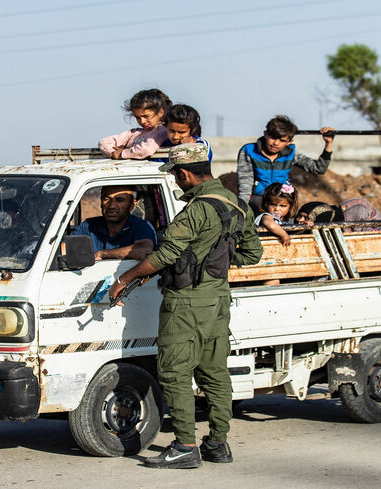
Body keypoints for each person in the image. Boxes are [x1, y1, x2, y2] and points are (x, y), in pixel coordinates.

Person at [108, 143, 262, 469]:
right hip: (218, 300)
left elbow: (165, 255)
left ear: (186, 173)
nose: (177, 182)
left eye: (177, 176)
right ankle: (218, 444)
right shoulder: (237, 204)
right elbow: (252, 254)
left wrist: (126, 279)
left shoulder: (195, 210)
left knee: (175, 372)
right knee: (215, 373)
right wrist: (214, 259)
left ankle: (185, 447)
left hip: (186, 303)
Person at [237, 115, 335, 212]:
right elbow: (245, 185)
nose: (276, 143)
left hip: (284, 199)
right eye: (273, 138)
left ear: (289, 142)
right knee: (268, 216)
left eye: (282, 140)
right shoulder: (249, 151)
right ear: (265, 134)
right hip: (259, 199)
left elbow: (318, 168)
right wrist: (242, 211)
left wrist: (329, 143)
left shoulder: (291, 153)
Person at [71, 185, 156, 260]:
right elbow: (67, 250)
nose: (111, 206)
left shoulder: (141, 226)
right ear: (101, 202)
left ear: (131, 205)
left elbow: (143, 251)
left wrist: (102, 254)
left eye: (120, 200)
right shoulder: (89, 226)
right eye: (106, 199)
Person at [98, 89, 171, 160]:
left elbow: (146, 150)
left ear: (160, 112)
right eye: (137, 117)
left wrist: (122, 154)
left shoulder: (163, 131)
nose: (142, 121)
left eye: (146, 116)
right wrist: (113, 153)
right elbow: (104, 142)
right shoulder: (134, 133)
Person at [254, 182, 299, 246]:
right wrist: (284, 235)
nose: (277, 209)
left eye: (282, 206)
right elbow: (271, 225)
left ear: (290, 207)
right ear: (266, 204)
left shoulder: (288, 220)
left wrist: (306, 224)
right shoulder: (266, 216)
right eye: (273, 204)